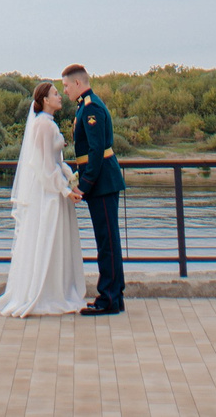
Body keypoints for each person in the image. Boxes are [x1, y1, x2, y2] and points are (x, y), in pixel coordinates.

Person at [0, 81, 85, 316]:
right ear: (44, 99)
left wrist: (70, 180)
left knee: (53, 243)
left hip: (54, 190)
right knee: (47, 240)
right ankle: (47, 294)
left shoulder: (48, 124)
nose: (60, 96)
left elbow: (56, 162)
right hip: (48, 196)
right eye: (55, 93)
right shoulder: (43, 126)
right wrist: (65, 190)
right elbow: (44, 167)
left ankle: (57, 290)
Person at [63, 64, 124, 314]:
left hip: (102, 183)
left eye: (66, 86)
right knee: (108, 240)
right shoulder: (85, 105)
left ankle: (108, 298)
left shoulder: (91, 108)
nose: (64, 90)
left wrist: (84, 186)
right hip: (100, 181)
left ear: (78, 84)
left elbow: (97, 151)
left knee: (107, 242)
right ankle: (114, 296)